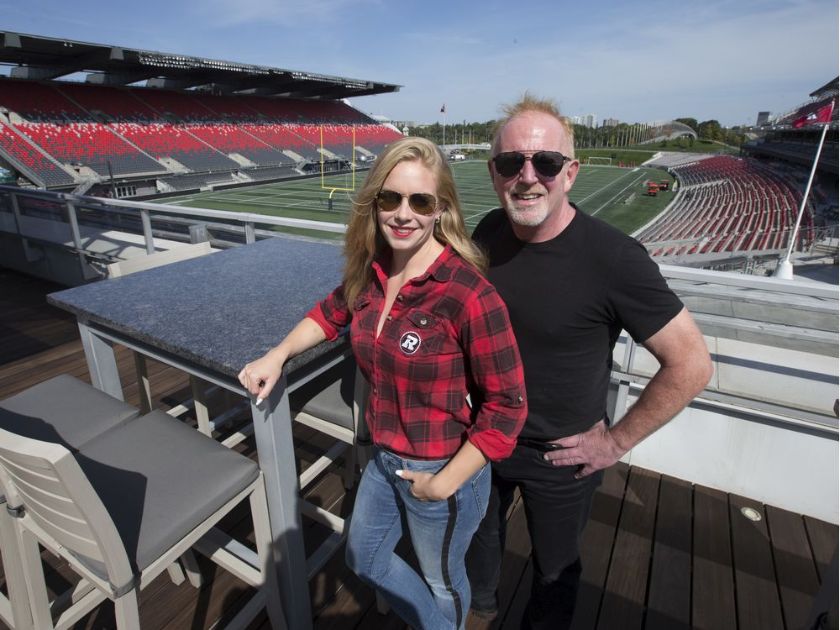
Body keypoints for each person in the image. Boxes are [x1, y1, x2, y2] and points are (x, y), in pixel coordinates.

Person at [239, 137, 527, 630]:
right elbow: (331, 314)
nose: (403, 213)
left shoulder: (468, 293)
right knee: (364, 558)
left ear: (442, 211)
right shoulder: (372, 271)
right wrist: (279, 352)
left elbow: (507, 406)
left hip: (442, 467)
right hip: (385, 456)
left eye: (420, 201)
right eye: (389, 198)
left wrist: (442, 485)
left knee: (443, 581)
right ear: (374, 204)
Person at [465, 95, 713, 629]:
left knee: (555, 573)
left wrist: (616, 441)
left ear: (570, 173)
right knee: (477, 543)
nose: (528, 177)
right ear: (494, 172)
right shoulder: (487, 231)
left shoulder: (615, 258)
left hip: (562, 456)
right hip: (484, 437)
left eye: (546, 163)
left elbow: (691, 364)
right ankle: (478, 613)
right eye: (512, 162)